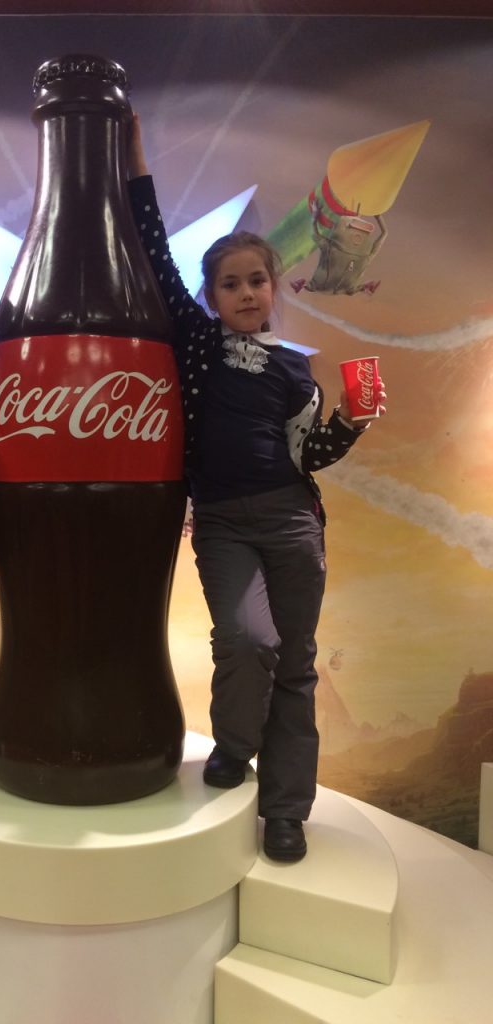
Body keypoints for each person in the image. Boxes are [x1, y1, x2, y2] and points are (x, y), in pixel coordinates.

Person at [127, 117, 385, 862]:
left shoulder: (295, 368)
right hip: (221, 522)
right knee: (246, 640)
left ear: (273, 289)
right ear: (210, 295)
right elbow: (150, 240)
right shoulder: (195, 340)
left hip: (293, 521)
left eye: (257, 280)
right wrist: (135, 154)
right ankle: (236, 743)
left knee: (296, 662)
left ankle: (286, 811)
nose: (245, 292)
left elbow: (308, 456)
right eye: (230, 283)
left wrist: (352, 422)